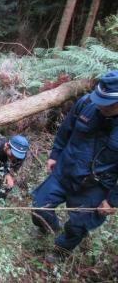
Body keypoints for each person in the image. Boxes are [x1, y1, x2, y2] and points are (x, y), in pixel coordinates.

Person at [31, 70, 118, 260]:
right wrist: (55, 154)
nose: (100, 106)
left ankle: (60, 252)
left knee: (78, 227)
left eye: (107, 104)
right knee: (39, 206)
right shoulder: (87, 103)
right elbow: (66, 129)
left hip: (95, 186)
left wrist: (113, 200)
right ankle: (50, 228)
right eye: (99, 99)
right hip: (65, 170)